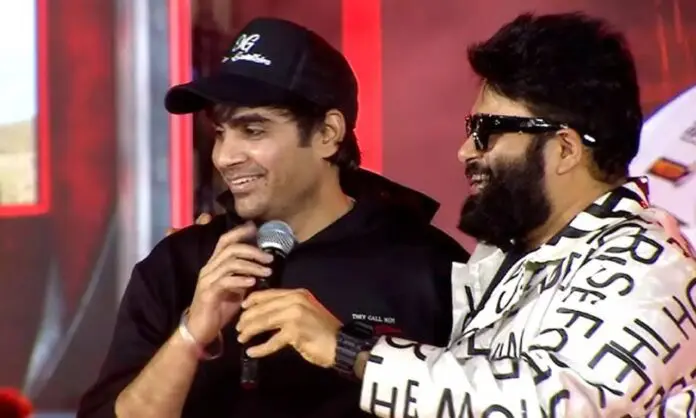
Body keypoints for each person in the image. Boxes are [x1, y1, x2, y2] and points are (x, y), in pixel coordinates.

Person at [236, 12, 696, 417]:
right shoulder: (512, 259)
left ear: (564, 149)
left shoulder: (650, 265)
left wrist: (350, 350)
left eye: (487, 132)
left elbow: (548, 405)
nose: (465, 151)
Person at [77, 17, 469, 418]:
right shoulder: (179, 264)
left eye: (253, 130)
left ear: (327, 134)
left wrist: (348, 348)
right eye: (220, 132)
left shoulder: (432, 268)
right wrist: (190, 335)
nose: (225, 157)